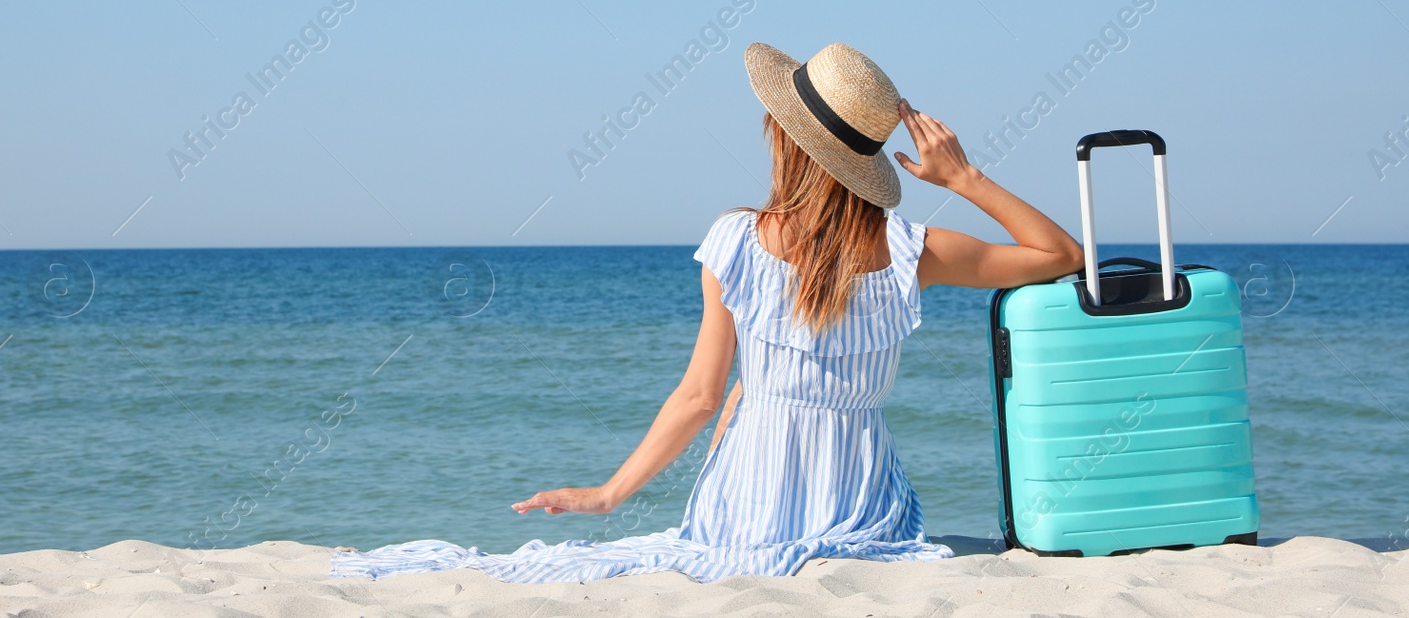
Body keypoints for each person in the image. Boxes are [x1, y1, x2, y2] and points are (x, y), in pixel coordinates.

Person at [332, 42, 1083, 583]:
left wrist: (608, 494)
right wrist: (966, 176)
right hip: (862, 507)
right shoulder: (914, 252)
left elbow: (699, 394)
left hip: (745, 504)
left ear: (785, 140)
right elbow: (1062, 254)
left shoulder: (739, 239)